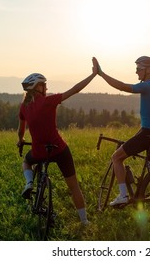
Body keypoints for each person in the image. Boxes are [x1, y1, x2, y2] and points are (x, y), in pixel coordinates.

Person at [17, 58, 98, 225]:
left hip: (39, 152)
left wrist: (21, 140)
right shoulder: (48, 101)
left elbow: (20, 130)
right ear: (37, 88)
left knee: (27, 161)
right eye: (44, 85)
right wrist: (93, 75)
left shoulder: (24, 107)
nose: (46, 88)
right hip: (59, 149)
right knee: (73, 185)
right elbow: (75, 89)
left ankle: (29, 182)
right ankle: (84, 221)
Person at [94, 56, 150, 206]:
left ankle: (123, 195)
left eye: (139, 69)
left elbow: (122, 86)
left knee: (116, 157)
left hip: (148, 133)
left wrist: (101, 74)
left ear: (149, 70)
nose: (136, 72)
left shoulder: (148, 86)